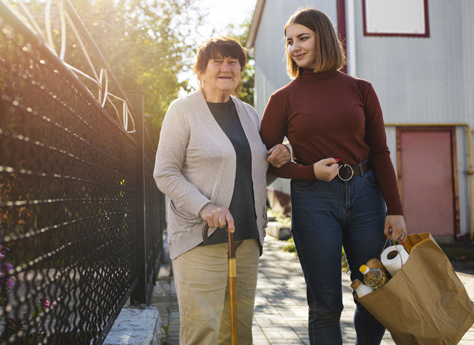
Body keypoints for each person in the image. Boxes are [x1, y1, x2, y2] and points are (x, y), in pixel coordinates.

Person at [259, 8, 408, 345]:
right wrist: (305, 170)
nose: (294, 47)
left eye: (303, 38)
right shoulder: (282, 99)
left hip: (368, 196)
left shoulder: (361, 89)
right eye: (289, 41)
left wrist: (395, 209)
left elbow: (381, 151)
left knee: (374, 295)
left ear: (323, 37)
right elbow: (264, 162)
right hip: (313, 201)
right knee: (324, 304)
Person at [153, 36, 290, 345]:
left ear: (240, 70)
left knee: (238, 333)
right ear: (201, 70)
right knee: (203, 333)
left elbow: (253, 174)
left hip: (246, 241)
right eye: (217, 61)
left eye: (233, 62)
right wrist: (205, 207)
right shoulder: (182, 111)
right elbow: (165, 172)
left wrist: (281, 156)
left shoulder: (249, 113)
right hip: (201, 240)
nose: (226, 68)